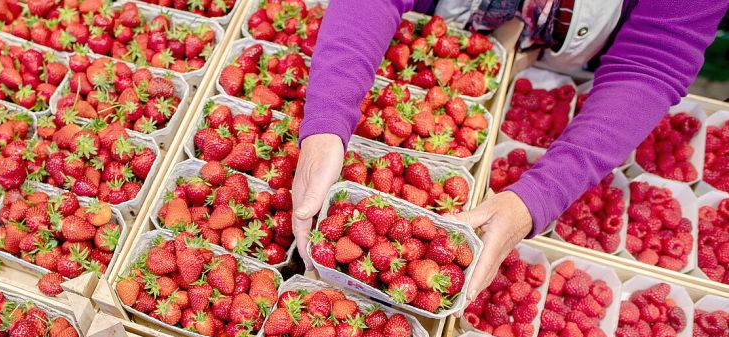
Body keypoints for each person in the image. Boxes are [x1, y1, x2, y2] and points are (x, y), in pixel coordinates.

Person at [291, 0, 727, 303]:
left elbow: (653, 59)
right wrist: (326, 122)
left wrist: (539, 196)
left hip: (569, 63)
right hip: (429, 34)